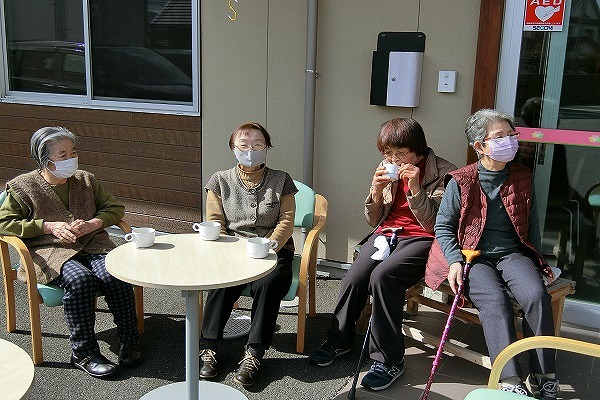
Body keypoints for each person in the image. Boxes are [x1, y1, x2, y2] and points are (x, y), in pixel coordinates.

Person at [308, 117, 457, 392]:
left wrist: (415, 189)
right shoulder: (387, 168)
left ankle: (388, 359)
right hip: (387, 234)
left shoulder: (446, 174)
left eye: (400, 153)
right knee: (354, 277)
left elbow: (435, 225)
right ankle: (339, 340)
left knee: (383, 277)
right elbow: (373, 220)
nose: (393, 159)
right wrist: (375, 193)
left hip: (422, 239)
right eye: (388, 153)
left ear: (418, 149)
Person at [427, 109, 559, 399]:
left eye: (511, 135)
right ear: (480, 146)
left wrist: (538, 262)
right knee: (495, 302)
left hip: (513, 254)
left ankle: (544, 373)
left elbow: (532, 224)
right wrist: (454, 261)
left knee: (536, 295)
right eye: (500, 137)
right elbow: (444, 226)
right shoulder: (461, 180)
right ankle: (509, 377)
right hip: (474, 256)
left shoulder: (522, 175)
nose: (510, 141)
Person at [0, 126, 141, 378]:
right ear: (45, 160)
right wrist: (47, 226)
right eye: (63, 155)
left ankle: (129, 339)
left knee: (114, 274)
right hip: (50, 250)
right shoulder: (23, 187)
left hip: (92, 243)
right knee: (81, 280)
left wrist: (93, 223)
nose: (71, 159)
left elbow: (114, 208)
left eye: (73, 152)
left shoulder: (85, 179)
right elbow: (4, 223)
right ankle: (83, 353)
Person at [199, 122, 297, 387]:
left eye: (258, 145)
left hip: (274, 252)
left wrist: (270, 244)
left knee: (268, 283)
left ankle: (254, 353)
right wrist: (227, 249)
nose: (250, 150)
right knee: (222, 282)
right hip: (233, 248)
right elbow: (215, 221)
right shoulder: (219, 180)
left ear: (266, 148)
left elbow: (287, 219)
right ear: (233, 148)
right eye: (243, 145)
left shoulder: (282, 179)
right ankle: (208, 348)